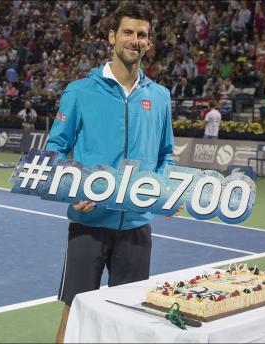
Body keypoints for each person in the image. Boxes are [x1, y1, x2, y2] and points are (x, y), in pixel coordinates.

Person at [46, 4, 174, 343]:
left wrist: (165, 192)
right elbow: (54, 151)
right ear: (112, 37)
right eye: (128, 32)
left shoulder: (160, 97)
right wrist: (71, 193)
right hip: (87, 224)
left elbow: (166, 156)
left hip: (136, 227)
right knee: (74, 315)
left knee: (129, 321)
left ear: (149, 42)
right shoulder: (80, 91)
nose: (135, 40)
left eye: (142, 34)